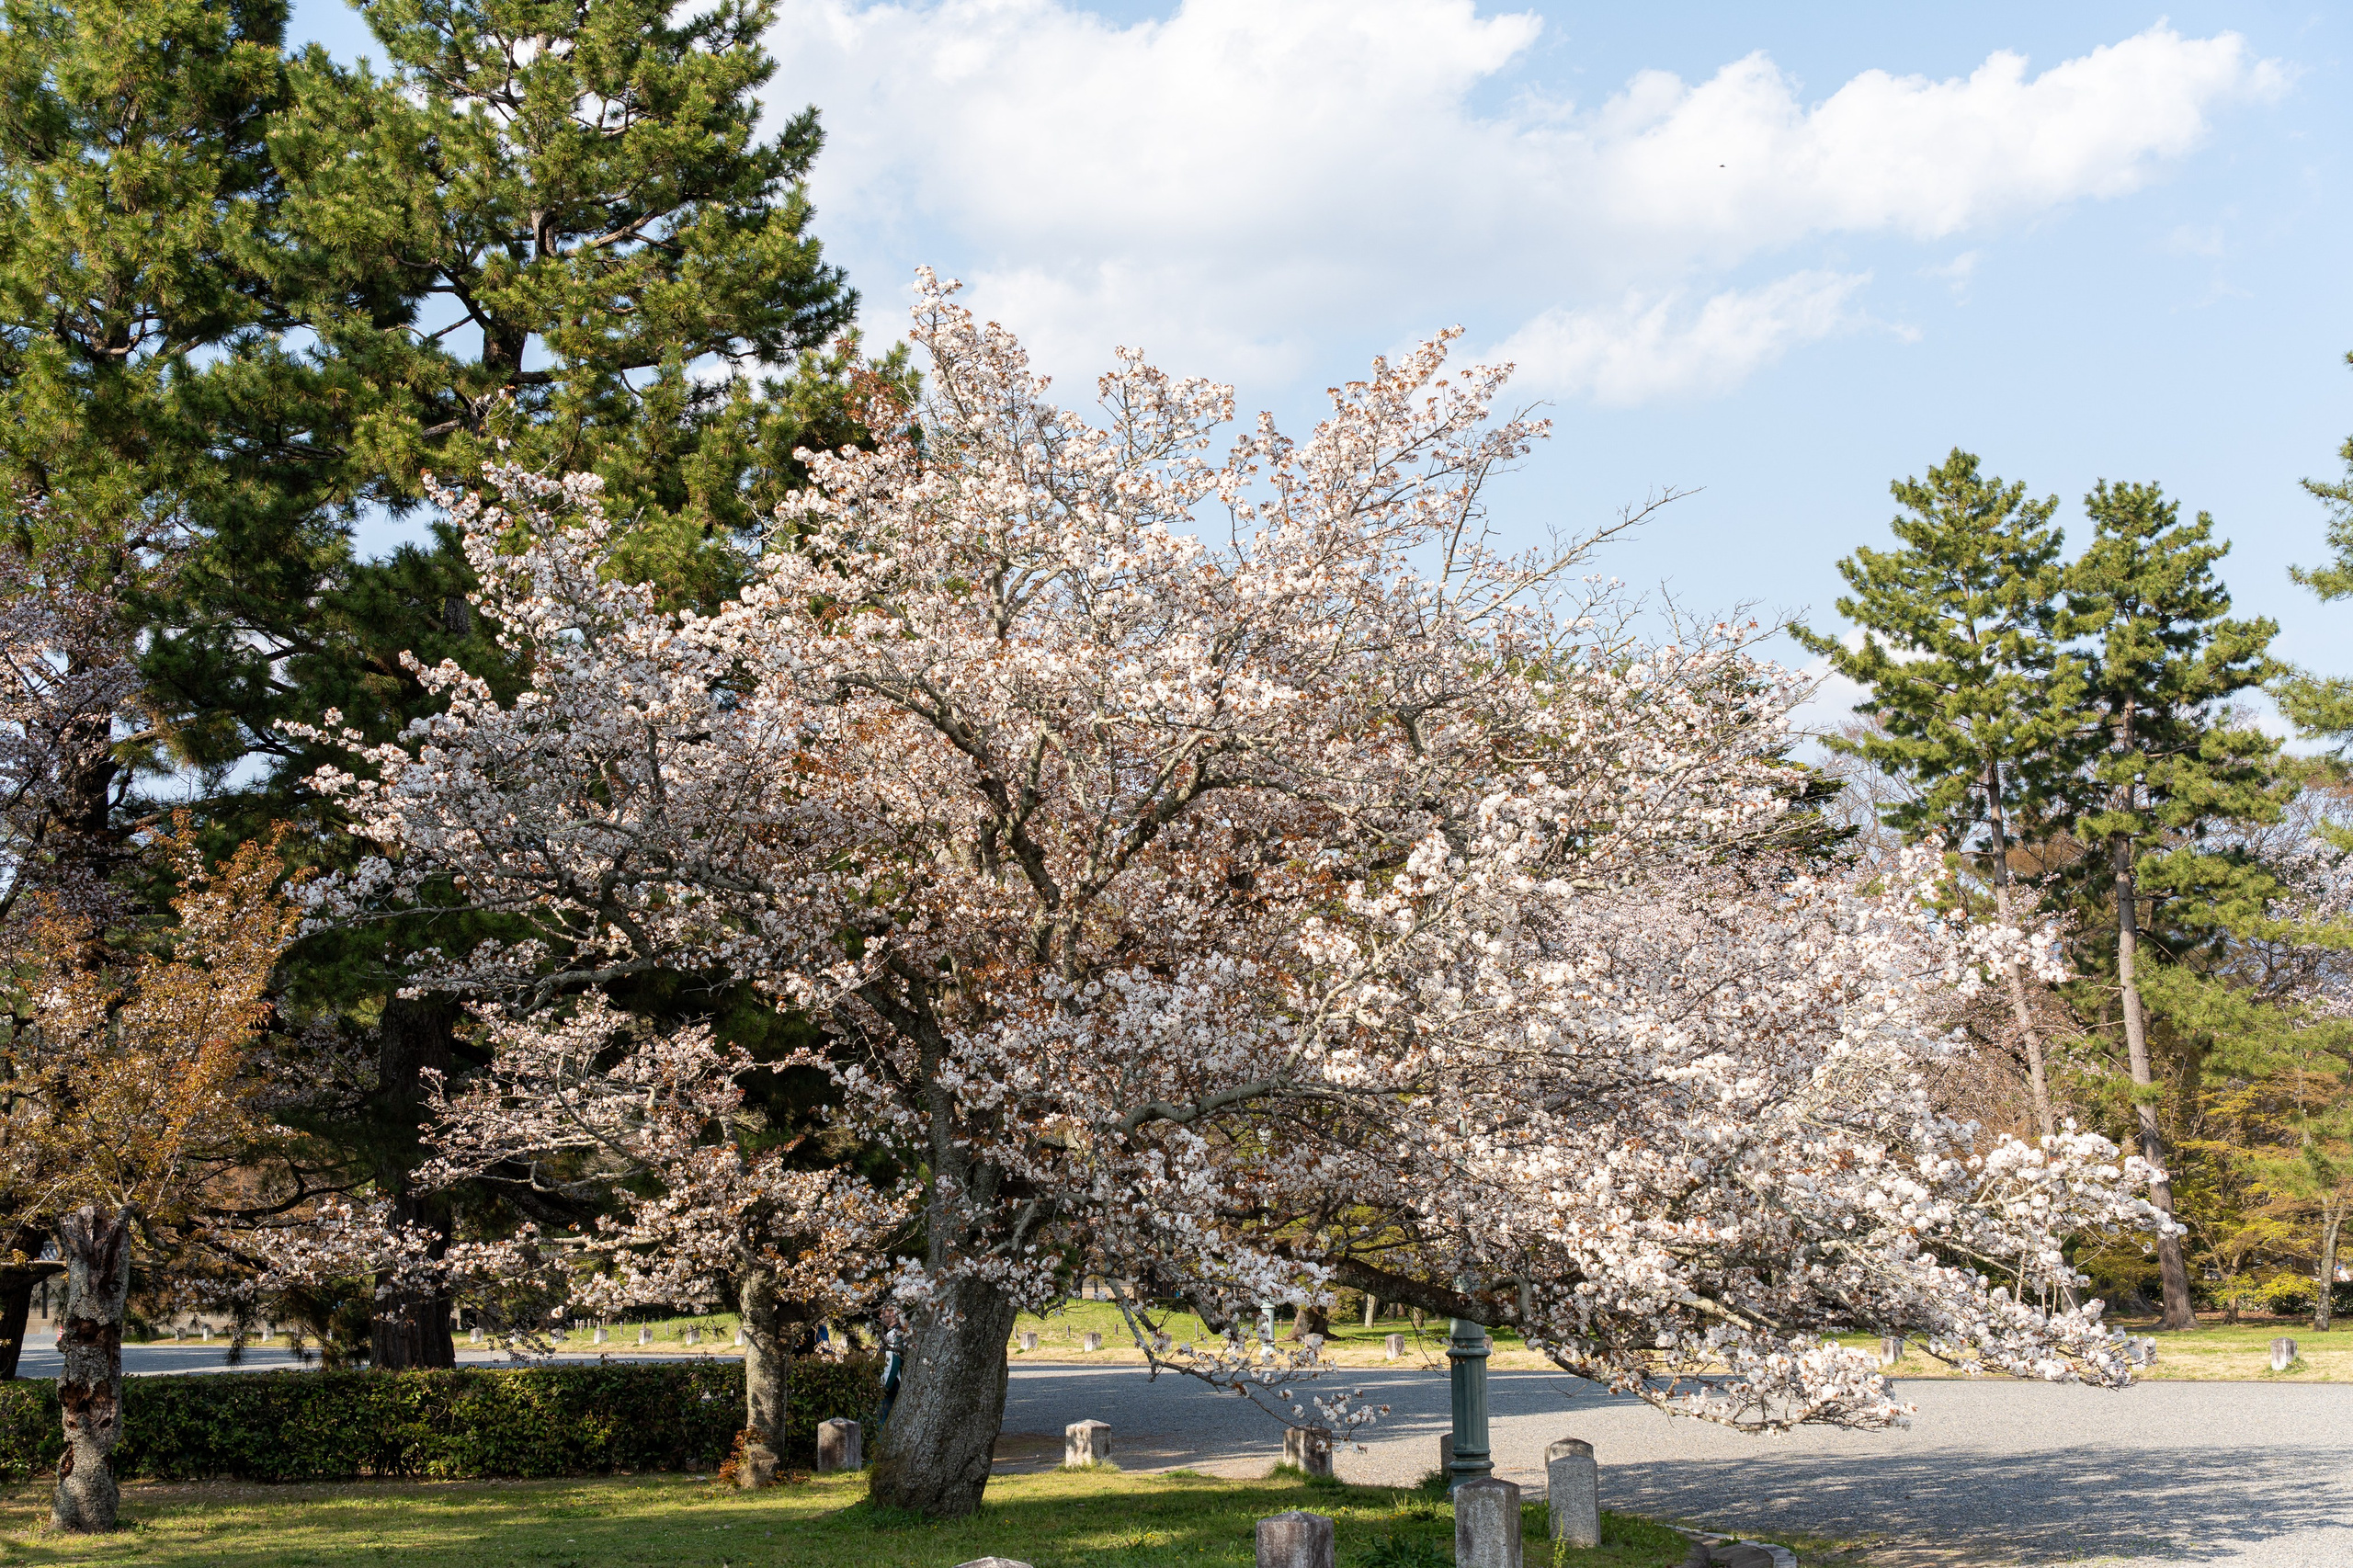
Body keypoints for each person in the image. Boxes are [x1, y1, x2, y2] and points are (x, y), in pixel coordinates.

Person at [874, 1306, 906, 1431]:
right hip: (893, 1387)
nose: (880, 1316)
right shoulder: (898, 1333)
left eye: (883, 1313)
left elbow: (892, 1364)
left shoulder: (893, 1335)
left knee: (880, 1426)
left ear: (893, 1313)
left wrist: (882, 1388)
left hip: (891, 1389)